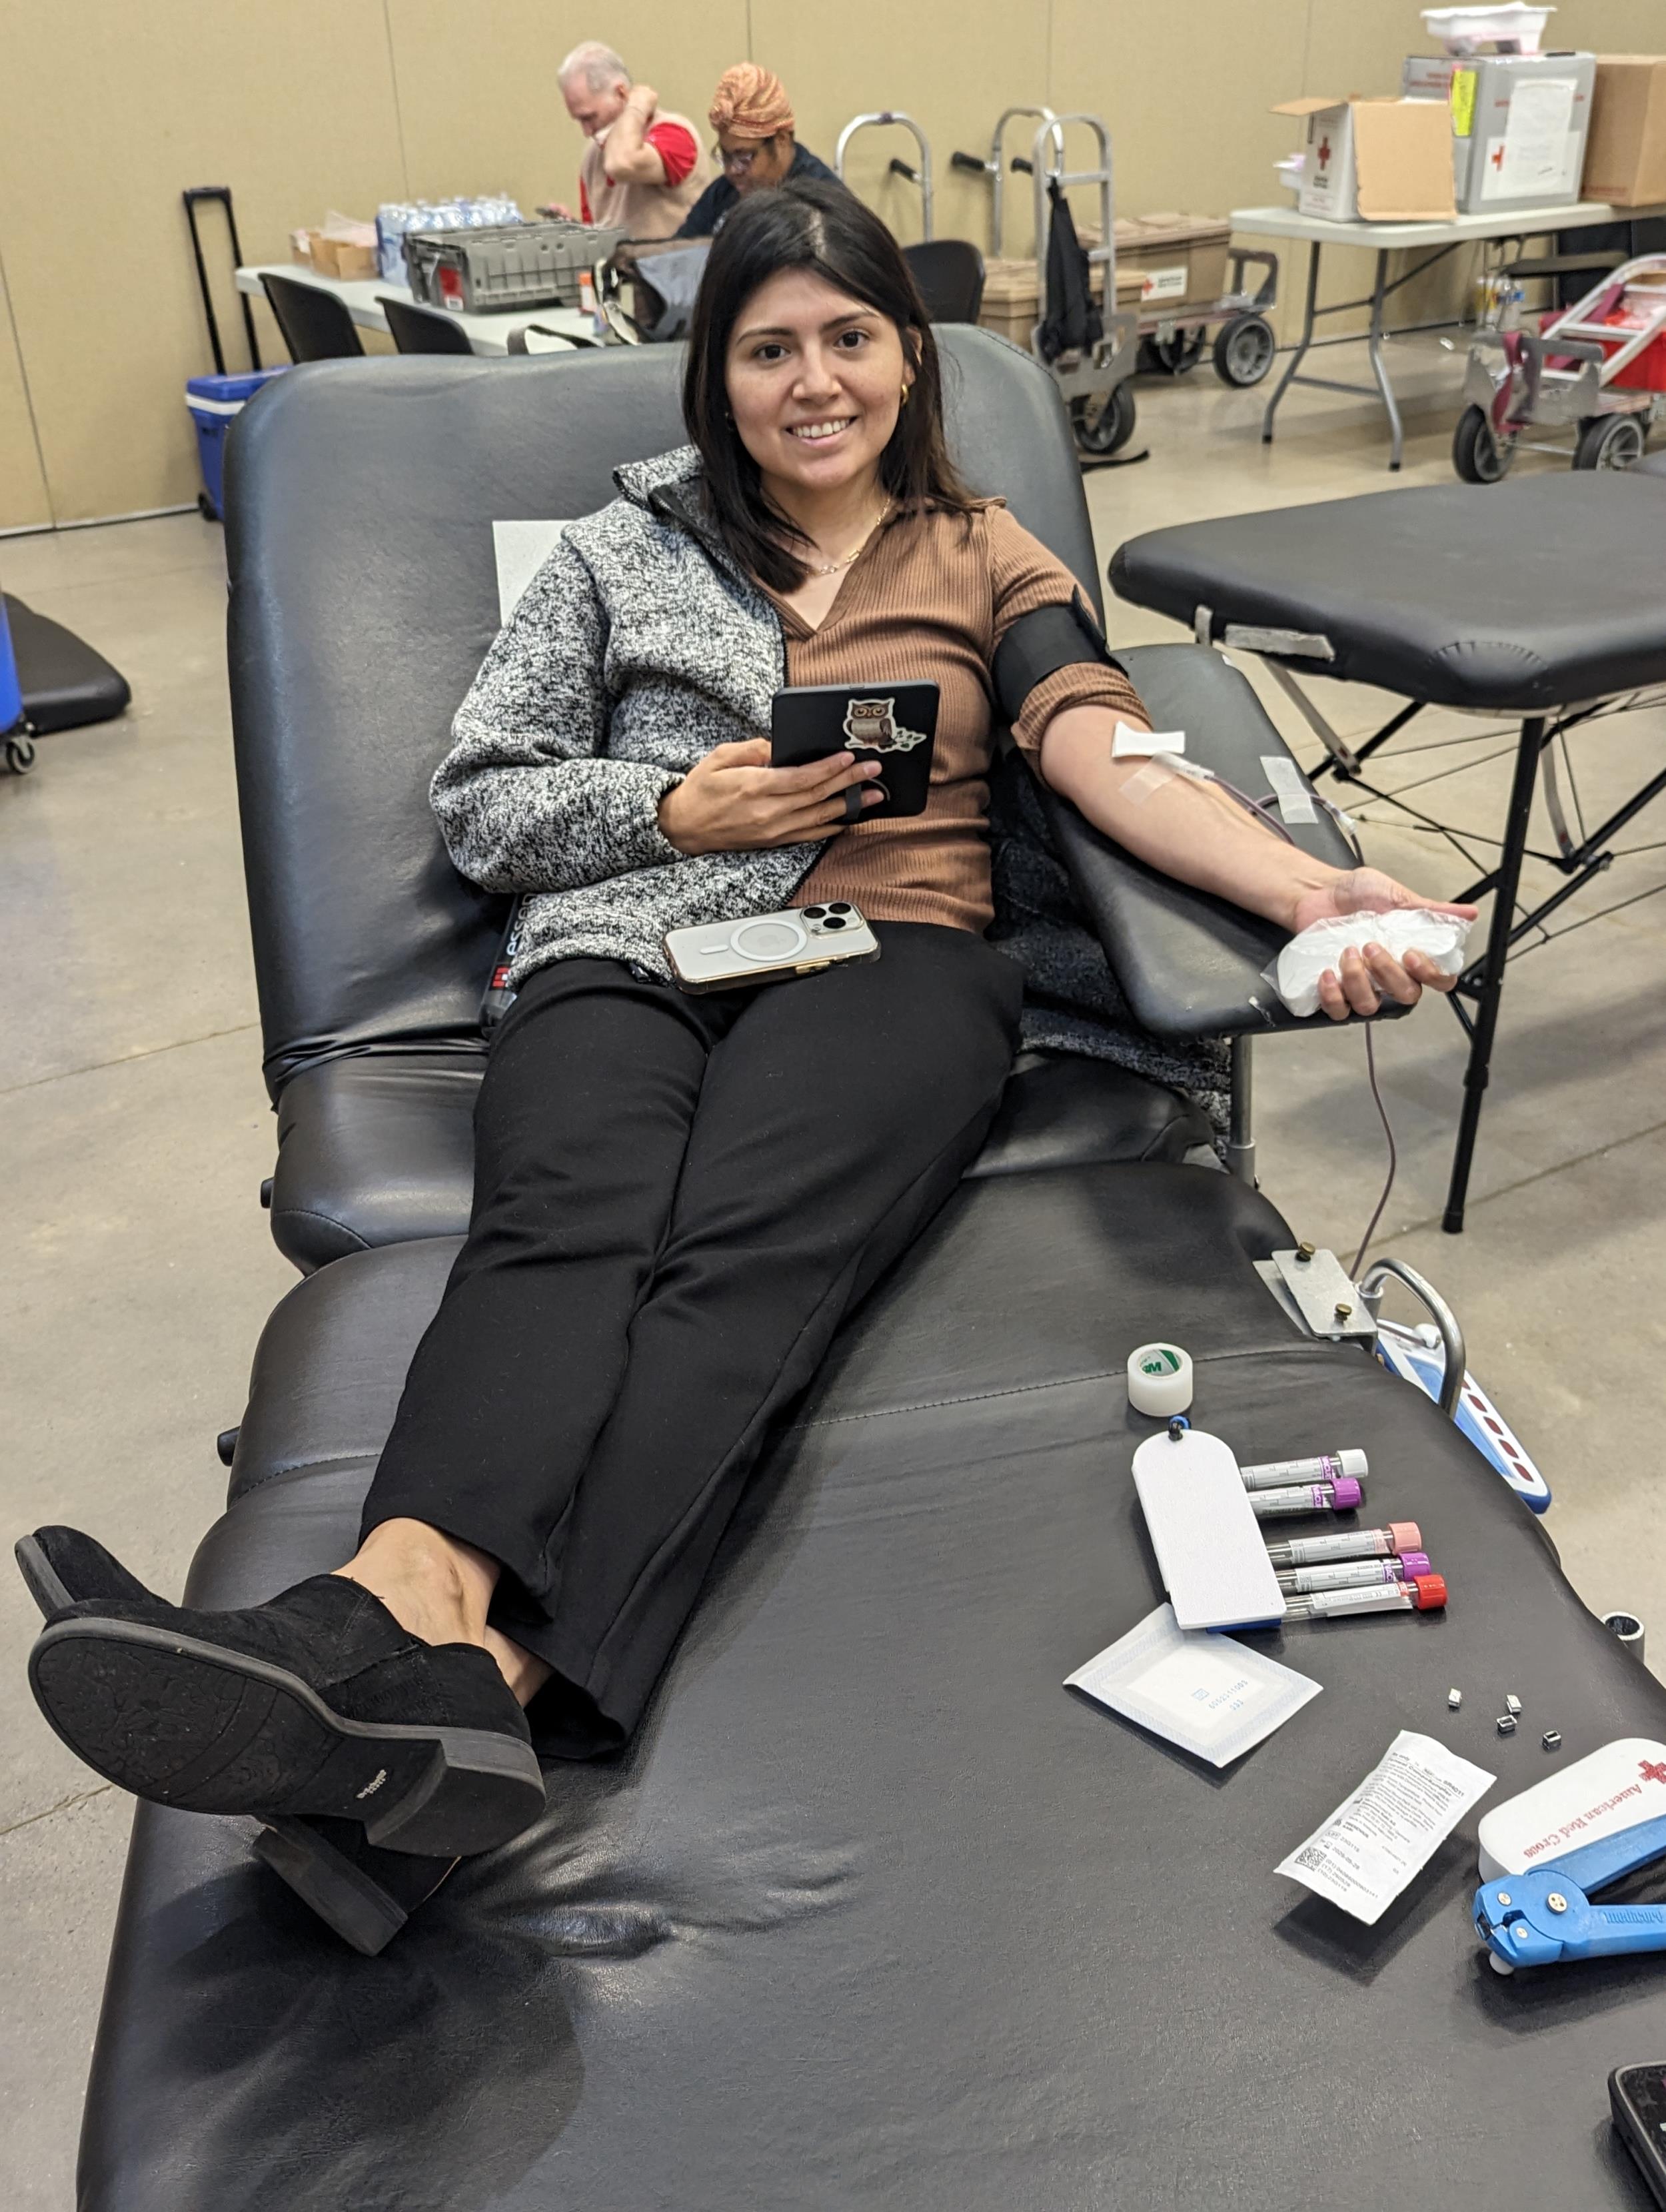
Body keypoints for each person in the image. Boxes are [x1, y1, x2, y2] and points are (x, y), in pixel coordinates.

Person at [21, 180, 1474, 1947]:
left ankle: (415, 1664)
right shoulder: (616, 555)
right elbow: (480, 795)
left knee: (736, 1268)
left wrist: (1312, 880)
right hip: (628, 941)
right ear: (712, 377)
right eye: (767, 347)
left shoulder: (978, 553)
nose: (811, 380)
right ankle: (410, 1635)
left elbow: (1105, 753)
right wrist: (667, 801)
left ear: (902, 358)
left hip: (895, 965)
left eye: (845, 340)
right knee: (566, 1219)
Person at [544, 39, 711, 239]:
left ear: (621, 93)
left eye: (590, 117)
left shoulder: (674, 133)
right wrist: (574, 230)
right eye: (579, 120)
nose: (587, 131)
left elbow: (621, 164)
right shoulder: (593, 155)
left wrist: (637, 105)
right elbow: (600, 232)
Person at [676, 64, 838, 238]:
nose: (732, 170)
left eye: (743, 157)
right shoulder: (723, 193)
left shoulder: (825, 203)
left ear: (781, 140)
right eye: (726, 156)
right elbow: (680, 252)